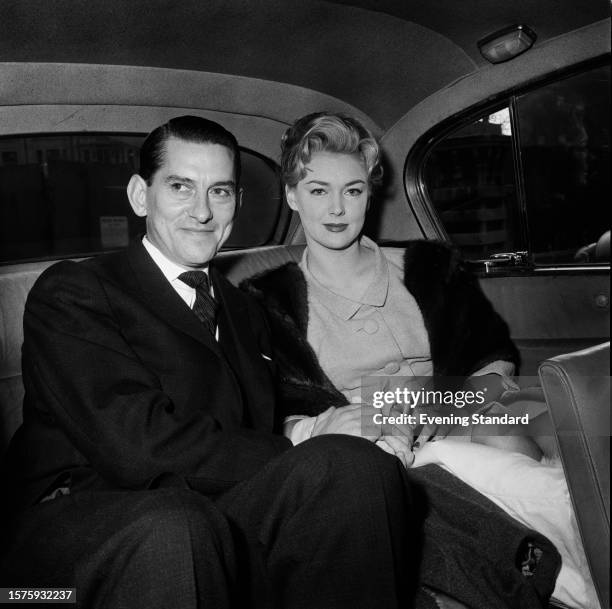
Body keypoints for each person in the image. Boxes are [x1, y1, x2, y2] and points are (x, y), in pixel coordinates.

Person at [0, 116, 418, 609]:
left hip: (214, 501)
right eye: (181, 187)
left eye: (219, 192)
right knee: (174, 525)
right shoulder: (78, 291)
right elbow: (136, 447)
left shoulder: (247, 309)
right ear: (140, 195)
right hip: (84, 526)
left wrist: (335, 428)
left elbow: (268, 422)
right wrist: (300, 440)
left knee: (355, 466)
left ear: (237, 204)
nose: (202, 211)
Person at [241, 112, 596, 608]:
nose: (338, 208)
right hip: (371, 449)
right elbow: (265, 414)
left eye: (354, 190)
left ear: (370, 193)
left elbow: (493, 355)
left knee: (513, 428)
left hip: (462, 414)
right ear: (293, 196)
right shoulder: (264, 302)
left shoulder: (432, 266)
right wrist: (347, 423)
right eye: (319, 191)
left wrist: (451, 406)